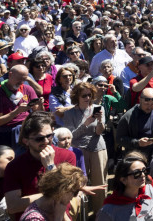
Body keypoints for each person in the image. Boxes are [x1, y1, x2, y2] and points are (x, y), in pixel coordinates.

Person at [2, 112, 79, 221]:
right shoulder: (14, 166)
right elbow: (13, 206)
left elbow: (68, 194)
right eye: (39, 139)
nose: (46, 141)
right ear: (26, 141)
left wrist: (50, 166)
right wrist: (54, 195)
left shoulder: (67, 156)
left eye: (49, 136)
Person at [57, 82, 108, 213]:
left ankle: (100, 213)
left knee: (100, 183)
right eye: (84, 95)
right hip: (79, 151)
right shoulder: (70, 113)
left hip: (98, 148)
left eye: (90, 95)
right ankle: (80, 213)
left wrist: (101, 121)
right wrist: (85, 124)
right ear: (77, 97)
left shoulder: (98, 108)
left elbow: (99, 132)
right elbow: (70, 136)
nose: (87, 98)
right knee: (79, 184)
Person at [98, 155, 153, 221]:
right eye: (136, 173)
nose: (143, 175)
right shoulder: (108, 211)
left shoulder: (149, 189)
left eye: (144, 170)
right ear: (123, 180)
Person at [115, 87, 153, 160]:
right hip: (138, 157)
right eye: (146, 103)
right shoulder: (129, 116)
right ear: (140, 99)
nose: (149, 106)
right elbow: (119, 139)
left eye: (152, 103)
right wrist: (137, 142)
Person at [0, 65, 39, 148]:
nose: (21, 82)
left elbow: (37, 112)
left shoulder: (28, 89)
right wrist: (17, 111)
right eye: (19, 79)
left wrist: (39, 104)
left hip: (25, 129)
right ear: (10, 75)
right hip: (6, 132)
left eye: (24, 79)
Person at [18, 163, 86, 221]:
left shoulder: (55, 208)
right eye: (75, 192)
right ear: (63, 190)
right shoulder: (34, 218)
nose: (74, 196)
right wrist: (58, 218)